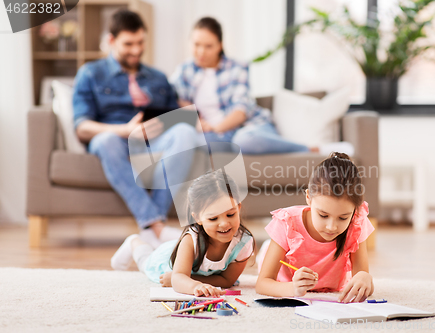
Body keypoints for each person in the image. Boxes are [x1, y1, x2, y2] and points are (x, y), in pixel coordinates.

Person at [72, 10, 198, 247]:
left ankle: (152, 226)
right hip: (116, 138)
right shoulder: (90, 73)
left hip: (154, 140)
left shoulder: (158, 78)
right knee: (104, 140)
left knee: (186, 133)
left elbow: (177, 119)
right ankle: (155, 225)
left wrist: (186, 114)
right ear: (111, 41)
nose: (136, 50)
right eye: (128, 44)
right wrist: (124, 130)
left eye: (140, 42)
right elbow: (82, 127)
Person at [171, 17, 354, 155]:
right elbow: (173, 98)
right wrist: (194, 118)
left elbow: (240, 111)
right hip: (212, 136)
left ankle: (312, 148)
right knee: (184, 141)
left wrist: (215, 128)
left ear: (220, 45)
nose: (201, 52)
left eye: (208, 46)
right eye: (196, 45)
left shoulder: (237, 68)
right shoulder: (185, 71)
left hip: (246, 127)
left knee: (243, 140)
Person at [111, 170, 255, 297]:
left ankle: (161, 235)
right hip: (166, 261)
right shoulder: (191, 239)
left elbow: (227, 281)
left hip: (189, 263)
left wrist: (188, 279)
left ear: (238, 208)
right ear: (197, 218)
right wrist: (194, 286)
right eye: (213, 218)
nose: (224, 223)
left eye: (230, 214)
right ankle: (134, 242)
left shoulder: (243, 243)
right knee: (144, 261)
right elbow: (179, 277)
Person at [255, 152, 374, 303]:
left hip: (331, 286)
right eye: (323, 215)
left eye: (343, 218)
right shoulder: (287, 222)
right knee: (270, 251)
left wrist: (365, 278)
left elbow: (363, 282)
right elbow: (262, 284)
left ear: (354, 211)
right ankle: (268, 248)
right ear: (308, 198)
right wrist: (293, 288)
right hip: (285, 278)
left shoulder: (356, 222)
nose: (332, 227)